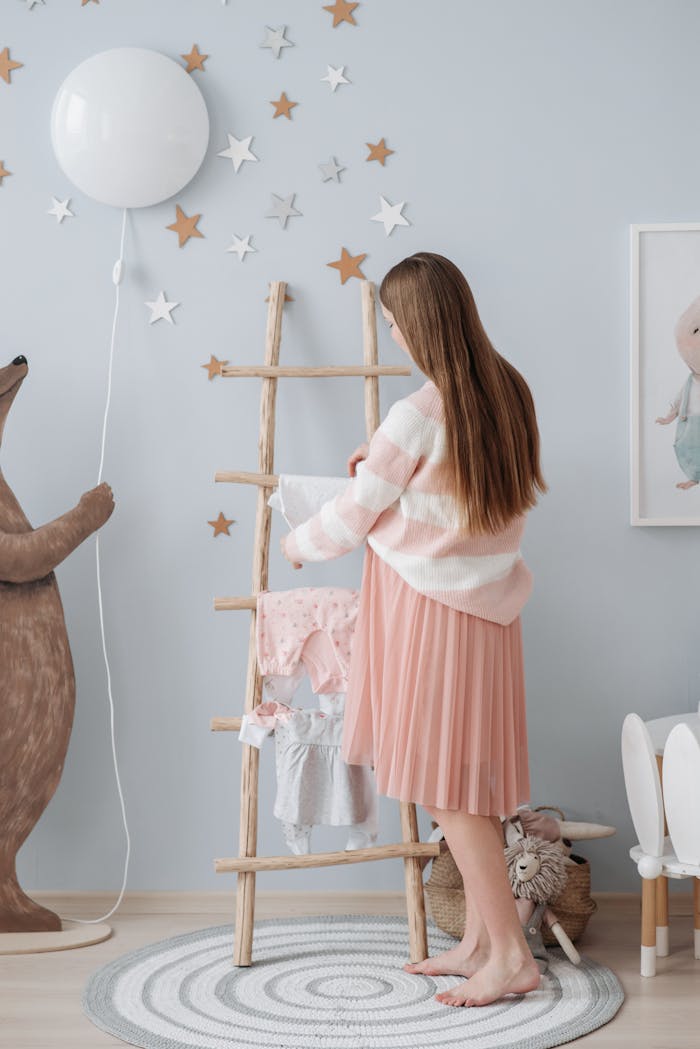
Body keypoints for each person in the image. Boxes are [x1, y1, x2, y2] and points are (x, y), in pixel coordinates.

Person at [280, 251, 547, 1008]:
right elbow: (458, 497)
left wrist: (297, 542)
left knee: (449, 788)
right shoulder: (510, 392)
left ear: (416, 325)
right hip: (487, 613)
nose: (392, 334)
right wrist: (378, 469)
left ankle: (512, 957)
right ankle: (482, 942)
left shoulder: (417, 413)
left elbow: (356, 514)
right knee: (466, 783)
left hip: (431, 614)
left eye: (394, 322)